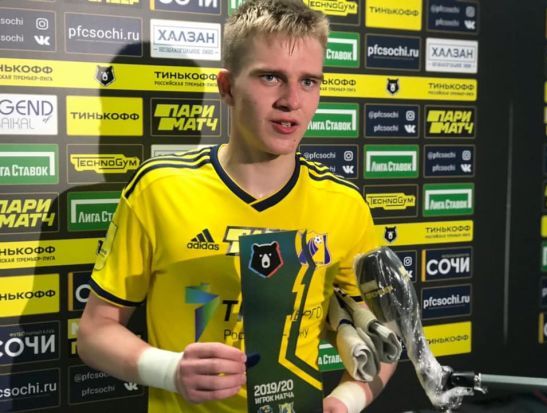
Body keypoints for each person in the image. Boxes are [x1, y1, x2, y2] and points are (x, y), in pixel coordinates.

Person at [77, 1, 396, 412]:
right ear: (227, 87)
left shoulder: (344, 205)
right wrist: (171, 371)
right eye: (270, 77)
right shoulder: (159, 189)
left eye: (308, 81)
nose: (291, 100)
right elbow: (95, 332)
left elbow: (383, 336)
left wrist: (344, 402)